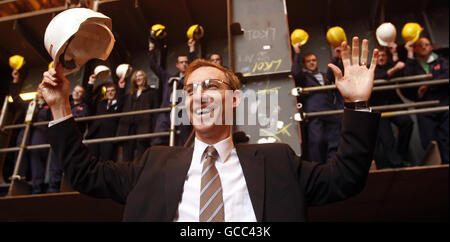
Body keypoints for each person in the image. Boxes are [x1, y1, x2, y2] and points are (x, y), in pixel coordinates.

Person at [40, 36, 380, 221]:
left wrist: (357, 104)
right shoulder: (153, 163)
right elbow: (85, 174)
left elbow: (346, 178)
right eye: (190, 90)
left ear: (234, 100)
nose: (198, 96)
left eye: (210, 87)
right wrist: (59, 106)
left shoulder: (278, 161)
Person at [291, 43, 340, 163]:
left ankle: (332, 167)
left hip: (330, 113)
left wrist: (337, 56)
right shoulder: (304, 77)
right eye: (308, 61)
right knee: (317, 142)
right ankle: (318, 169)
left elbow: (332, 71)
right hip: (314, 115)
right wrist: (297, 53)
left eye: (314, 60)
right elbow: (295, 73)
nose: (312, 62)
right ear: (305, 64)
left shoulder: (324, 75)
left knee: (334, 142)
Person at [403, 37, 449, 164]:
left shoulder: (441, 60)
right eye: (420, 45)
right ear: (415, 48)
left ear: (431, 47)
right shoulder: (413, 63)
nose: (423, 47)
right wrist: (410, 55)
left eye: (426, 44)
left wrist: (428, 84)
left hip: (444, 104)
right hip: (425, 107)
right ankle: (437, 168)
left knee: (446, 137)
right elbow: (407, 79)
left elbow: (447, 74)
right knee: (429, 141)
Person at [370, 44, 414, 168]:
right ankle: (397, 164)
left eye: (383, 55)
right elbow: (378, 78)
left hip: (393, 103)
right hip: (378, 106)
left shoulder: (390, 65)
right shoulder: (370, 68)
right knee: (387, 139)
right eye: (378, 56)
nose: (381, 58)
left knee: (407, 122)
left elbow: (402, 74)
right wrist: (394, 69)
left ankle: (402, 155)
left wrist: (395, 54)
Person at [10, 70, 53, 194]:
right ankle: (19, 186)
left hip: (40, 137)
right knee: (20, 158)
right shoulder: (30, 104)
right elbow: (15, 98)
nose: (40, 91)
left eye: (43, 89)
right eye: (39, 89)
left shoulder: (49, 106)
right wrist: (15, 81)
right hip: (25, 135)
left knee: (36, 161)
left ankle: (37, 189)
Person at [148, 38, 195, 146]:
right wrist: (151, 49)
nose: (184, 64)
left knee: (184, 142)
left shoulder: (192, 79)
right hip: (166, 112)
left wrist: (192, 48)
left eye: (186, 62)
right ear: (177, 65)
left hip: (183, 113)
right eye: (181, 62)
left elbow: (196, 64)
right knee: (158, 141)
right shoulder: (168, 77)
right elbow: (154, 66)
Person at [47, 84, 89, 193]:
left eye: (79, 92)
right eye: (75, 90)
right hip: (59, 137)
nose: (76, 93)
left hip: (72, 139)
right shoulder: (66, 104)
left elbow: (79, 120)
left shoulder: (84, 107)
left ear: (83, 95)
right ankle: (53, 190)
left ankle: (68, 190)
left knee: (68, 164)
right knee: (54, 165)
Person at [115, 70, 159, 161]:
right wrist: (121, 88)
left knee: (142, 156)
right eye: (136, 76)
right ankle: (127, 175)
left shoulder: (152, 92)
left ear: (145, 78)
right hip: (129, 128)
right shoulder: (130, 94)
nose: (138, 78)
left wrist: (154, 130)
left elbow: (156, 112)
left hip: (144, 127)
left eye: (140, 76)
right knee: (127, 157)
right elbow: (119, 105)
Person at [84, 74, 126, 161]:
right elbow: (87, 100)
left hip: (109, 137)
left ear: (116, 92)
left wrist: (122, 88)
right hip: (95, 135)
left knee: (107, 162)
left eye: (112, 90)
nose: (110, 93)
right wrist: (91, 82)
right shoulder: (100, 103)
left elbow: (122, 100)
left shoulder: (119, 104)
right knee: (92, 162)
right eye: (108, 91)